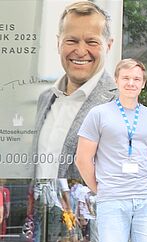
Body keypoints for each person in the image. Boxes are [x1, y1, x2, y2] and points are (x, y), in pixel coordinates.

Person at [74, 58, 147, 242]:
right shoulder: (98, 114)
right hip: (112, 199)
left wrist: (141, 183)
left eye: (136, 79)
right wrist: (100, 188)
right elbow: (82, 159)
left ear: (143, 83)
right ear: (116, 80)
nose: (131, 83)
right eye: (125, 78)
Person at [36, 1, 117, 179]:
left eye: (92, 42)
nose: (80, 51)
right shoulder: (45, 99)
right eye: (71, 41)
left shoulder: (119, 103)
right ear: (58, 43)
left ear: (108, 46)